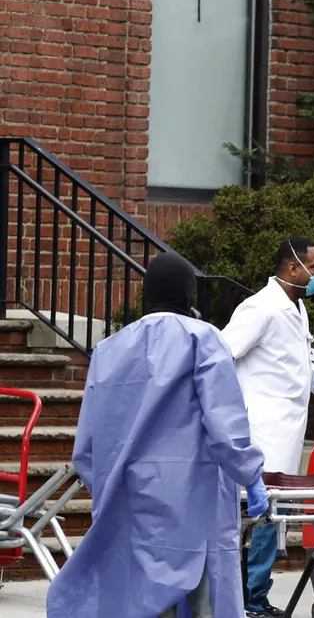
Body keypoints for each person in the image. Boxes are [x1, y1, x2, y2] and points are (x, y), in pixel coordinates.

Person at [47, 253, 270, 618]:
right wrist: (251, 474)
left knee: (139, 600)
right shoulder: (204, 341)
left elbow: (86, 448)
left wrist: (109, 488)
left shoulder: (108, 350)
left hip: (130, 498)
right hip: (195, 504)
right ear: (188, 293)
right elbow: (226, 428)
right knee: (203, 603)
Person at [222, 237, 314, 618]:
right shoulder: (259, 308)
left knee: (274, 518)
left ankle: (255, 597)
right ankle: (248, 600)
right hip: (262, 429)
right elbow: (222, 354)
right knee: (260, 519)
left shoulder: (297, 308)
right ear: (294, 269)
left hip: (288, 429)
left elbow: (290, 363)